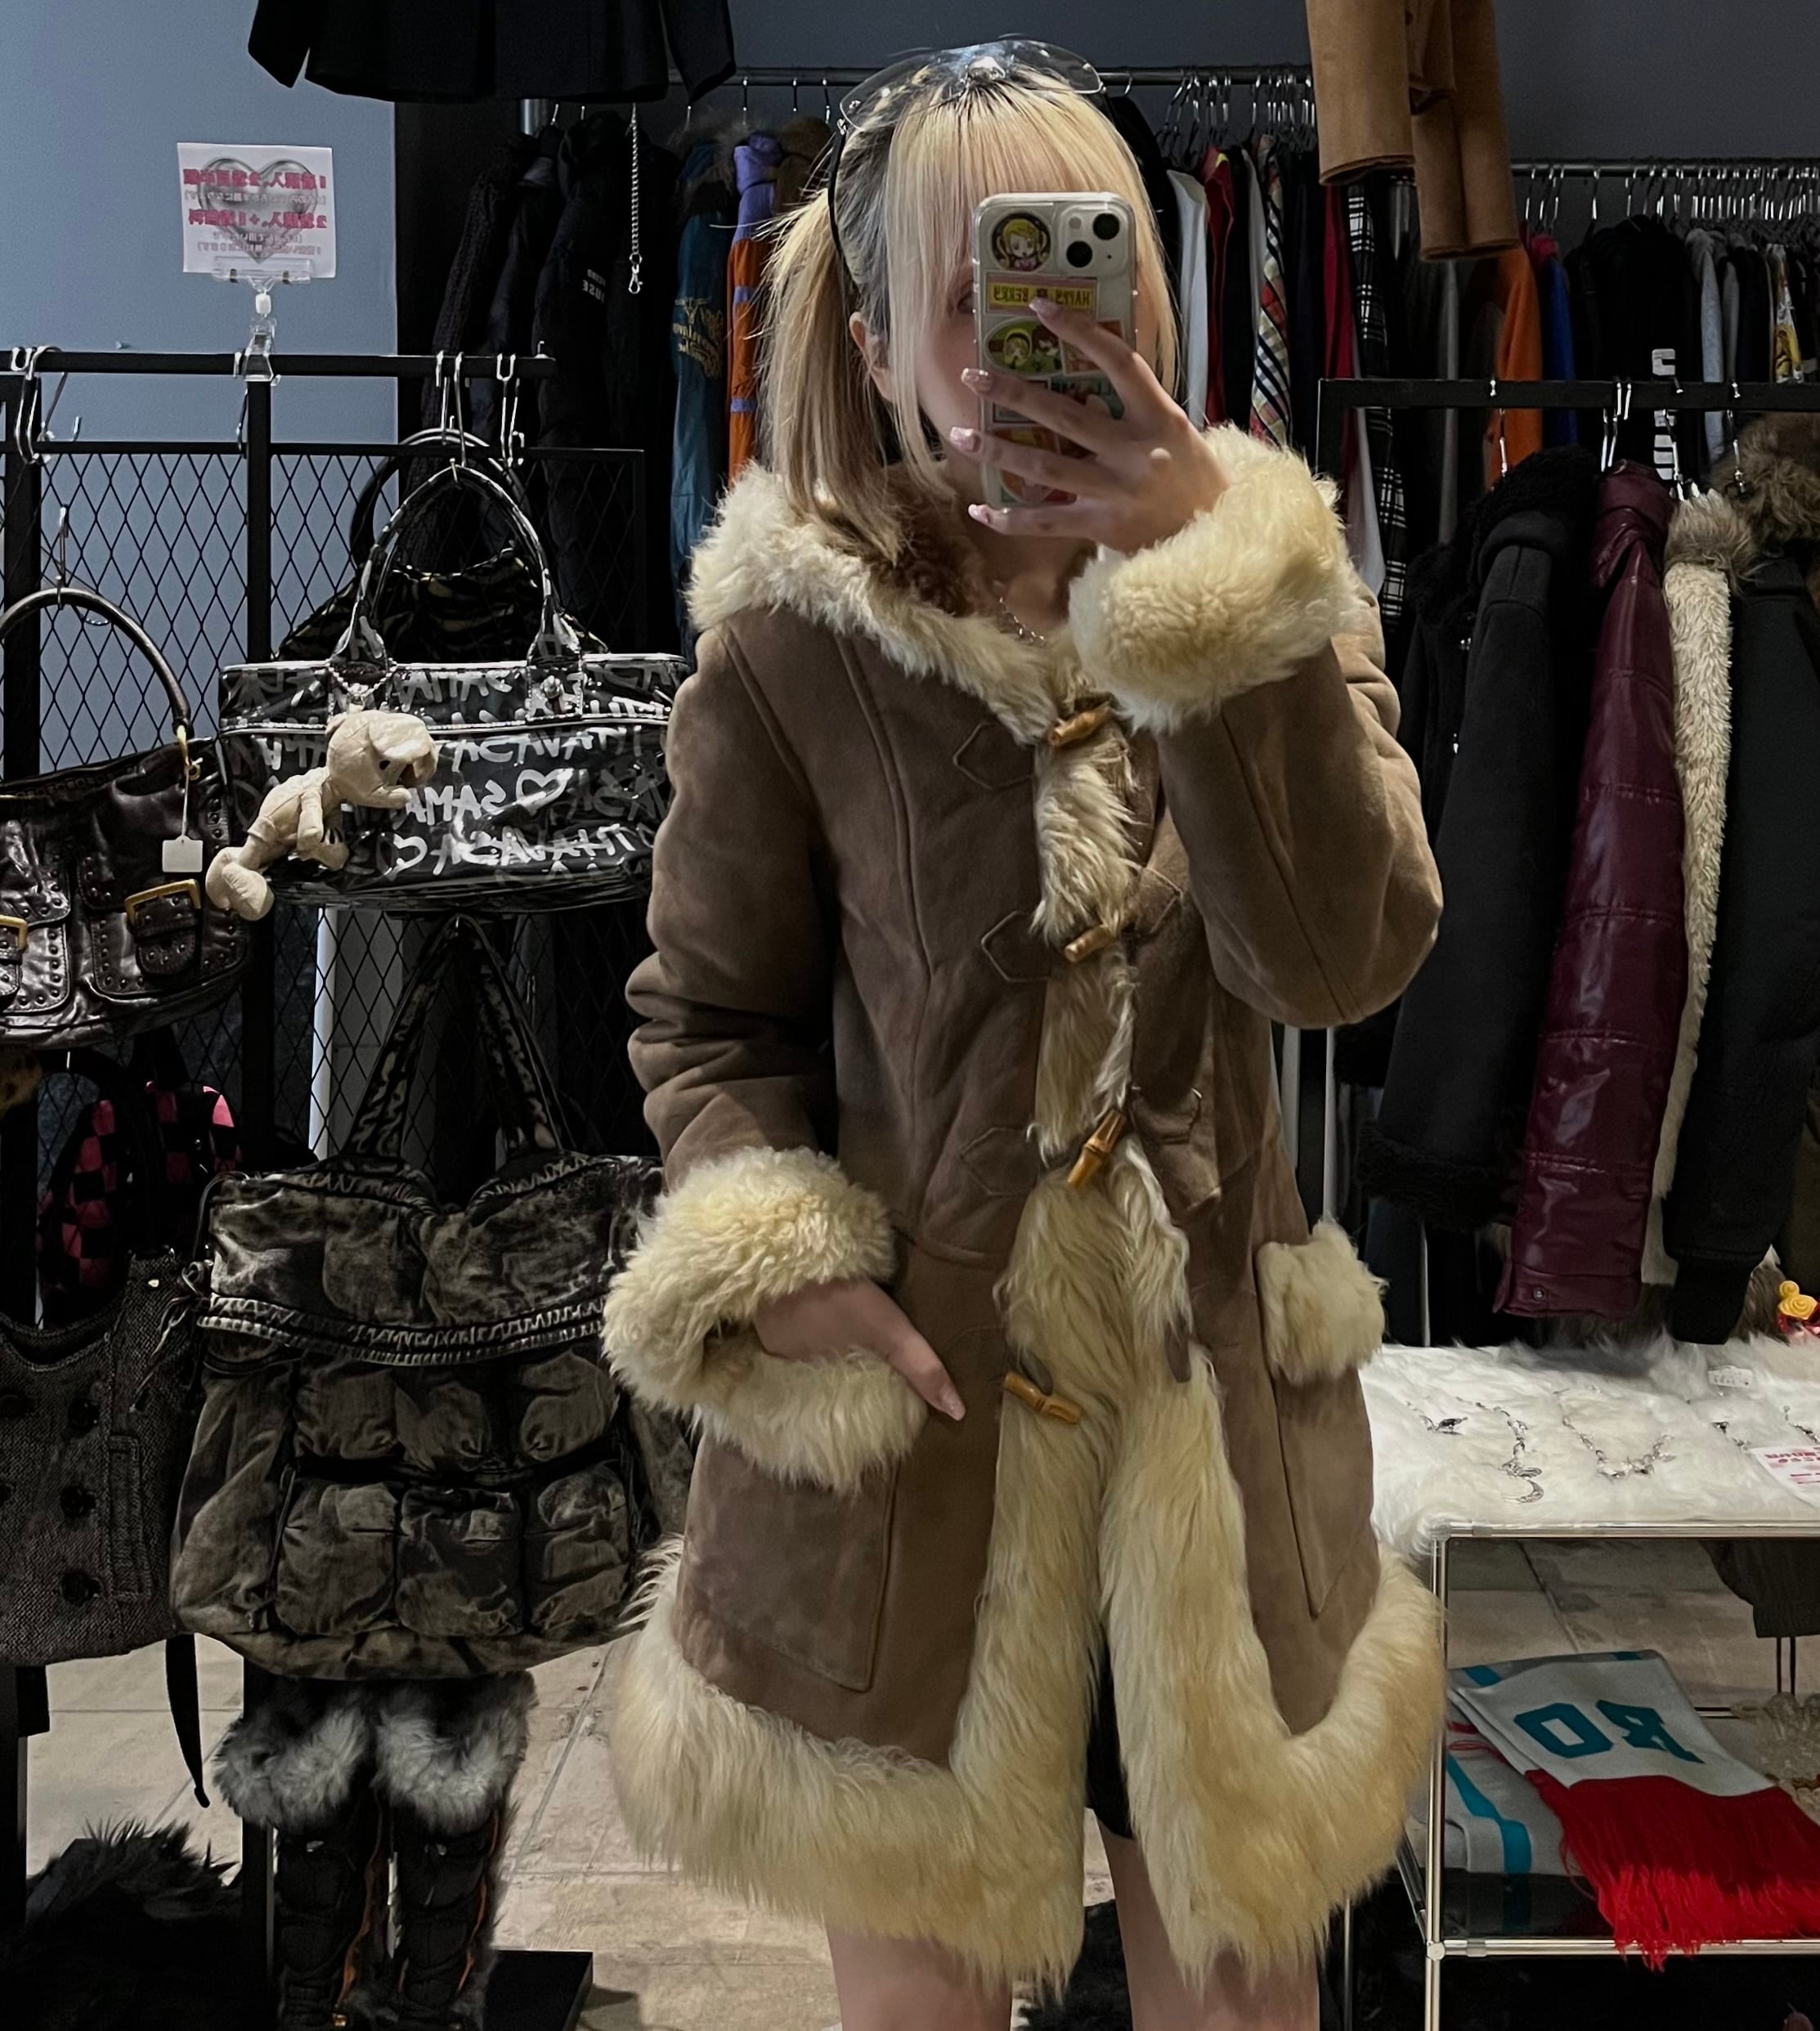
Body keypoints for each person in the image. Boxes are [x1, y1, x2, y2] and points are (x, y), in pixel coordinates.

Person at [602, 40, 1445, 2031]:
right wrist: (779, 1262)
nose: (1031, 338)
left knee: (1239, 2004)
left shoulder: (1279, 596)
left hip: (1211, 1452)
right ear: (880, 344)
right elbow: (708, 1019)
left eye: (1081, 270)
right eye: (975, 292)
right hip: (914, 1456)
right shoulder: (794, 646)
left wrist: (1213, 606)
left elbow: (1342, 961)